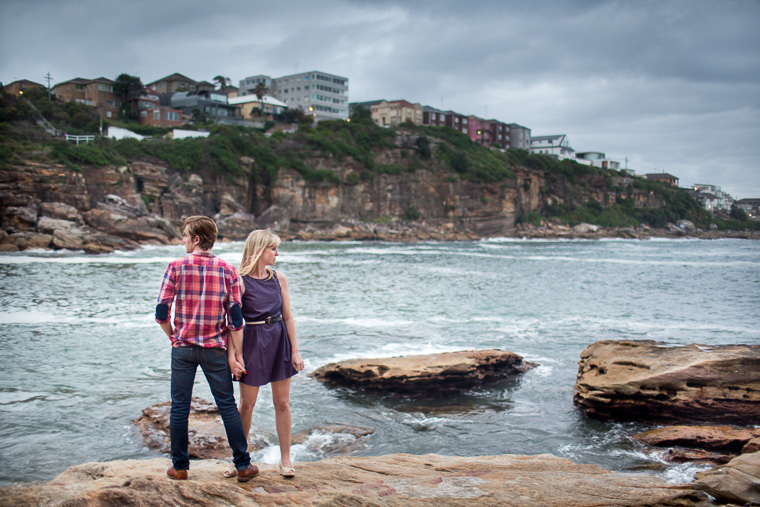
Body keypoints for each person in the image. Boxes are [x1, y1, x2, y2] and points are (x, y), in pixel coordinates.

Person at [156, 216, 259, 482]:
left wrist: (174, 338)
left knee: (179, 407)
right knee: (226, 405)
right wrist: (237, 354)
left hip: (183, 348)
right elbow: (236, 320)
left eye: (185, 235)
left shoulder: (176, 266)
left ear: (196, 239)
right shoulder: (228, 270)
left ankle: (179, 467)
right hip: (215, 349)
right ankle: (243, 466)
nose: (183, 240)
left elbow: (160, 312)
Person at [225, 229, 305, 478]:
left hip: (279, 339)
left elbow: (289, 316)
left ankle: (285, 459)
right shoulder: (239, 280)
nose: (277, 253)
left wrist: (295, 351)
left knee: (282, 403)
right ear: (259, 250)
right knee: (246, 405)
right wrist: (233, 357)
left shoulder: (279, 278)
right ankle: (239, 460)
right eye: (273, 248)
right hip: (252, 343)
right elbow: (232, 323)